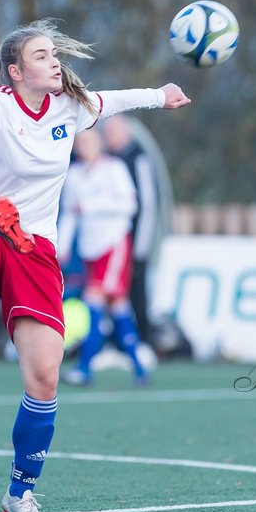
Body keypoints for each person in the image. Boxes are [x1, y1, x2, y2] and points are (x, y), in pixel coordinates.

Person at [0, 19, 190, 512]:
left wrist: (161, 95)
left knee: (45, 378)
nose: (54, 61)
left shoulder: (70, 107)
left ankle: (20, 494)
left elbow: (113, 101)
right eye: (43, 55)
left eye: (54, 54)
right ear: (15, 70)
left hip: (35, 250)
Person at [57, 128, 148, 386]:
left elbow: (130, 204)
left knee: (93, 298)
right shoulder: (74, 175)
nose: (82, 146)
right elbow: (69, 214)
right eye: (79, 142)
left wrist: (91, 206)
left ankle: (85, 367)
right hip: (90, 247)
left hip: (113, 243)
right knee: (117, 306)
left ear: (98, 144)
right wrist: (61, 247)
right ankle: (140, 367)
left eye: (87, 141)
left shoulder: (114, 168)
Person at [102, 115, 160, 343]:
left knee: (137, 293)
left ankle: (144, 342)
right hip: (114, 241)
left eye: (113, 132)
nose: (108, 138)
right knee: (115, 295)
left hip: (134, 241)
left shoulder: (139, 158)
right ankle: (119, 344)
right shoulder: (109, 160)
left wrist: (140, 246)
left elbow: (147, 204)